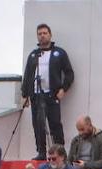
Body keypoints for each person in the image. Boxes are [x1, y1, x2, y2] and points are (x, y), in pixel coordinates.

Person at [21, 23, 75, 161]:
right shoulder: (33, 55)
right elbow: (27, 75)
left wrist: (64, 89)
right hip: (36, 95)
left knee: (55, 123)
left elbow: (69, 73)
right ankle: (41, 152)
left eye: (45, 33)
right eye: (39, 33)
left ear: (50, 35)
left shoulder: (59, 53)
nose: (42, 36)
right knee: (38, 124)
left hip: (52, 94)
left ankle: (60, 152)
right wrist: (24, 94)